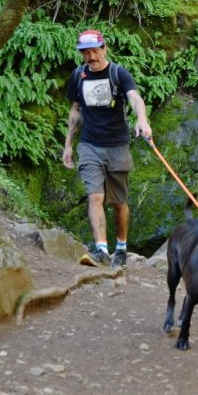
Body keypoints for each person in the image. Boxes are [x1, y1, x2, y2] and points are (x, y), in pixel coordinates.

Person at [62, 29, 152, 267]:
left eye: (94, 51)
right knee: (95, 196)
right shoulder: (78, 75)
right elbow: (75, 110)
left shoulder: (118, 73)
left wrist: (142, 120)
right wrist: (68, 146)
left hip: (117, 145)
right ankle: (101, 249)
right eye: (85, 52)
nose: (91, 57)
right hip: (90, 145)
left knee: (118, 202)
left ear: (104, 49)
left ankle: (121, 247)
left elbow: (135, 98)